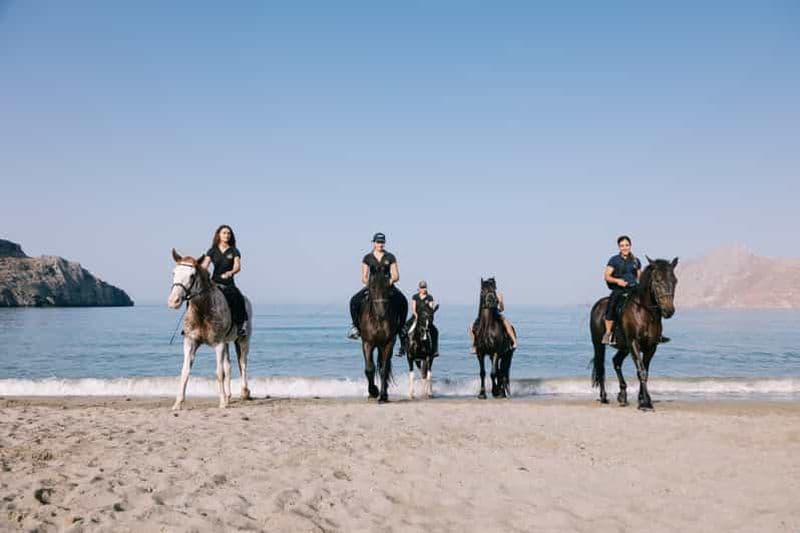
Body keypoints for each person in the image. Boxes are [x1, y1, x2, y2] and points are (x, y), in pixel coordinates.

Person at [347, 233, 409, 342]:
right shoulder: (367, 258)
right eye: (378, 242)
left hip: (387, 286)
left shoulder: (390, 257)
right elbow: (364, 277)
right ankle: (355, 327)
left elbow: (396, 275)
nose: (380, 244)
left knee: (403, 300)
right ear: (374, 243)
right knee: (354, 300)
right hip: (372, 286)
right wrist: (371, 285)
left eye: (382, 242)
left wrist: (389, 282)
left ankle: (402, 327)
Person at [200, 225, 248, 337]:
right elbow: (204, 266)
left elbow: (237, 267)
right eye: (224, 233)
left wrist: (230, 272)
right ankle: (190, 325)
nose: (226, 235)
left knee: (238, 297)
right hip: (213, 283)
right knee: (195, 296)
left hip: (228, 283)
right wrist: (199, 273)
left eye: (228, 233)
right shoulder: (212, 251)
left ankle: (241, 325)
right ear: (219, 235)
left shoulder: (234, 251)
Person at [469, 281, 518, 352]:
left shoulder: (498, 295)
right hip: (486, 316)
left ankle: (514, 342)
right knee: (471, 326)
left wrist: (500, 303)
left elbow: (502, 309)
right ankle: (475, 345)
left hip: (494, 314)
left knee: (507, 324)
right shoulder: (484, 295)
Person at [404, 280, 439, 358]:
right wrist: (415, 314)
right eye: (422, 287)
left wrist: (429, 307)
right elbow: (413, 308)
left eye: (424, 287)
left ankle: (435, 349)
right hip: (416, 317)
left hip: (425, 318)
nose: (423, 289)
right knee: (404, 329)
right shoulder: (415, 297)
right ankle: (403, 348)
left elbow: (431, 308)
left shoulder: (429, 297)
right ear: (419, 288)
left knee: (435, 331)